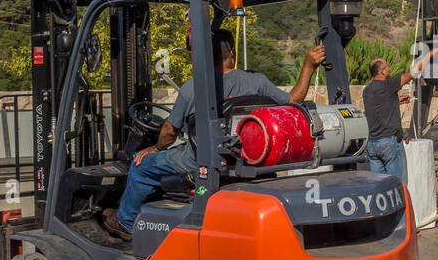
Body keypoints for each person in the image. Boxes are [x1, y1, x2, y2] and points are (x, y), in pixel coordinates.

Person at [103, 30, 325, 241]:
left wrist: (156, 148)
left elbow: (170, 131)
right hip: (246, 156)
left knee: (141, 166)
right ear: (232, 55)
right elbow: (293, 102)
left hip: (201, 160)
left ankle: (125, 221)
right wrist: (308, 66)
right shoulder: (257, 81)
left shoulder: (194, 87)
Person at [362, 49, 434, 184]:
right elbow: (414, 72)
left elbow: (377, 108)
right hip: (389, 144)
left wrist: (396, 100)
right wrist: (431, 53)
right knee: (398, 186)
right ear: (382, 72)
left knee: (379, 188)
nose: (389, 69)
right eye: (387, 66)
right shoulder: (388, 85)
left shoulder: (367, 90)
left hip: (372, 145)